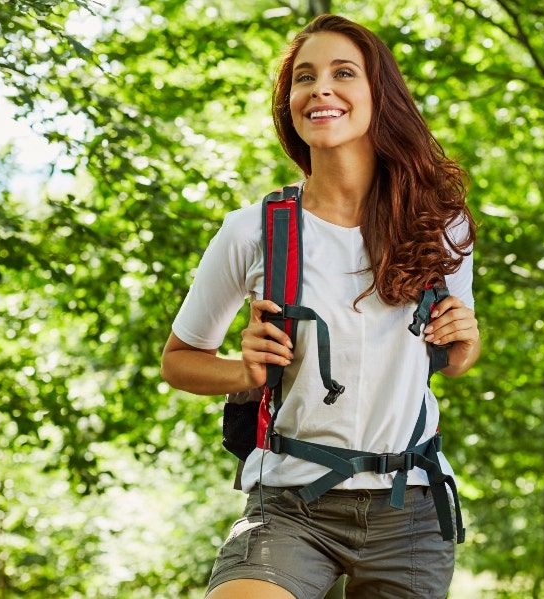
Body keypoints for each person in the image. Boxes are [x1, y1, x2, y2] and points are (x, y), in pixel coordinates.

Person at [159, 13, 480, 599]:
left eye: (342, 73)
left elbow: (449, 360)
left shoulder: (441, 226)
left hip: (409, 505)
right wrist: (243, 371)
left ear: (379, 96)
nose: (320, 89)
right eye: (304, 78)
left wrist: (465, 345)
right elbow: (178, 359)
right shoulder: (252, 231)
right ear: (291, 105)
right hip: (289, 504)